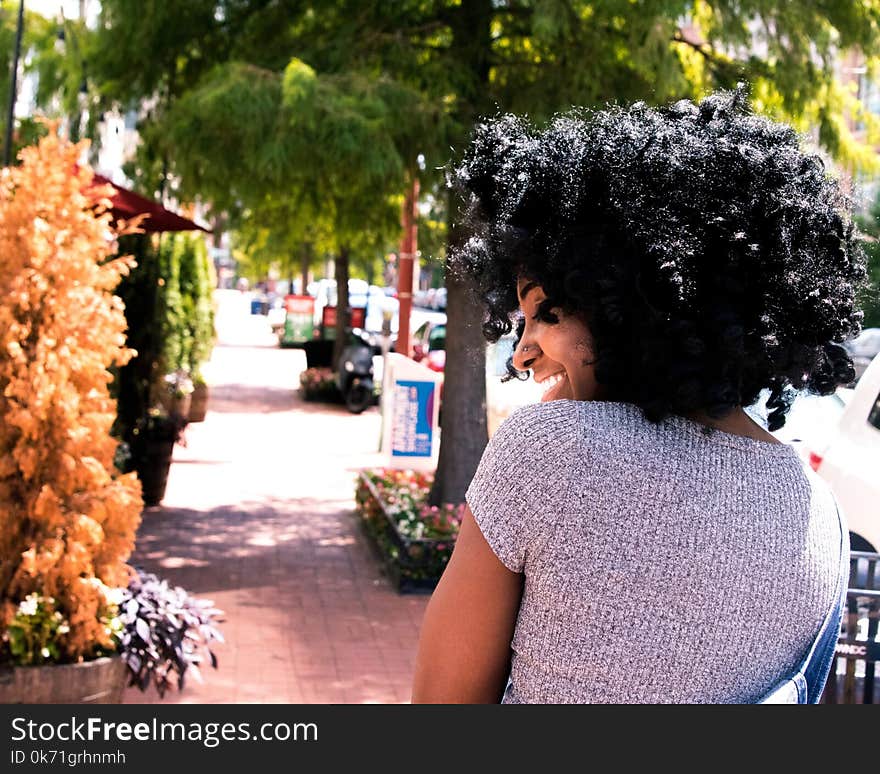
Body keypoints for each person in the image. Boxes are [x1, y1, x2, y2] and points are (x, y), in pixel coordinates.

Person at [411, 87, 864, 704]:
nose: (522, 351)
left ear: (636, 303)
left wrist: (552, 434)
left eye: (546, 312)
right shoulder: (818, 511)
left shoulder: (547, 456)